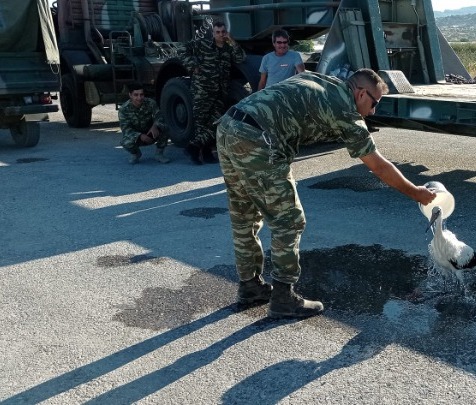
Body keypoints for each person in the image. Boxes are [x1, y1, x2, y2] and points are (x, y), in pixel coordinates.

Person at [215, 69, 436, 318]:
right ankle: (283, 298)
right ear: (361, 93)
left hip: (228, 126)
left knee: (244, 214)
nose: (373, 111)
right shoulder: (345, 111)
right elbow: (379, 166)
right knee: (289, 220)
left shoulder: (326, 81)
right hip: (258, 138)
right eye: (373, 103)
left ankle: (250, 287)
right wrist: (416, 192)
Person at [181, 19, 245, 164]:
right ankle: (201, 153)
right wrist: (192, 65)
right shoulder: (202, 44)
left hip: (220, 91)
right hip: (202, 90)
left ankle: (194, 146)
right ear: (213, 32)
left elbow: (241, 57)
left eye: (223, 32)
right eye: (217, 32)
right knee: (201, 122)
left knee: (215, 122)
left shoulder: (229, 48)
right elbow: (182, 49)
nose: (220, 35)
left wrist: (233, 42)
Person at [118, 82, 170, 164]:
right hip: (137, 137)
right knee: (125, 142)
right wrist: (140, 136)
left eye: (141, 94)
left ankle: (159, 154)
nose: (139, 98)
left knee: (165, 127)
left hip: (151, 133)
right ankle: (136, 154)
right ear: (130, 95)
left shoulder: (150, 103)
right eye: (136, 95)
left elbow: (159, 116)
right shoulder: (124, 109)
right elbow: (126, 129)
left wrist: (155, 125)